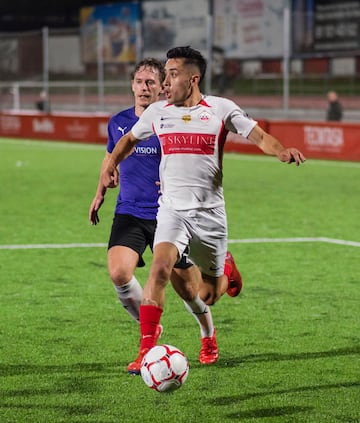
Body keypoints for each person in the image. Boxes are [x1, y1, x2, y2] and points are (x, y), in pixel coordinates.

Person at [101, 46, 299, 375]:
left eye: (172, 74)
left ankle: (227, 269)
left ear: (193, 79)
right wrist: (111, 165)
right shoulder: (158, 112)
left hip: (209, 217)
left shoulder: (221, 109)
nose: (165, 81)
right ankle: (147, 350)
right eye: (165, 73)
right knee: (158, 270)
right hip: (171, 213)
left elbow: (259, 135)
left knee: (207, 295)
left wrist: (280, 151)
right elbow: (128, 141)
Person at [89, 57, 242, 374]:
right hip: (129, 211)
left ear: (162, 88)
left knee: (193, 293)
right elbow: (110, 159)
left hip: (167, 215)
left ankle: (208, 334)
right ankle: (149, 339)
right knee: (119, 273)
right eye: (139, 82)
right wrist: (101, 190)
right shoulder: (117, 122)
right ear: (131, 85)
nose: (143, 88)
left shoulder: (172, 120)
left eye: (150, 83)